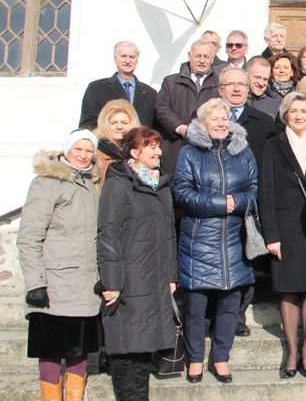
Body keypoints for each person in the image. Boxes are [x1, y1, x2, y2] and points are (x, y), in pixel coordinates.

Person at [172, 98, 258, 384]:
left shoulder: (243, 153)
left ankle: (221, 357)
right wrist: (221, 203)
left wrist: (241, 201)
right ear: (203, 124)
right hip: (199, 240)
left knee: (230, 304)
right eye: (215, 119)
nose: (221, 123)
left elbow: (255, 189)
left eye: (225, 118)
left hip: (234, 238)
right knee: (195, 307)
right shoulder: (189, 153)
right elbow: (182, 192)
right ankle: (195, 358)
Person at [17, 130, 103, 401]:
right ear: (66, 150)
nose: (83, 155)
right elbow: (29, 236)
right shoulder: (47, 182)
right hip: (55, 283)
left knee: (81, 348)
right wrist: (35, 284)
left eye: (89, 150)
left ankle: (74, 397)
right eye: (78, 149)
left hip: (86, 282)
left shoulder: (92, 183)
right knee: (51, 349)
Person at [97, 127, 177, 400]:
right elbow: (108, 234)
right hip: (127, 282)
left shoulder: (161, 187)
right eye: (152, 147)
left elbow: (169, 235)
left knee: (144, 351)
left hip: (155, 282)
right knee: (123, 352)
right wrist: (113, 282)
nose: (158, 152)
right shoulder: (118, 184)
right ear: (134, 152)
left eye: (158, 146)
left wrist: (171, 276)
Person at [260, 92, 306, 380]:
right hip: (285, 228)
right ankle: (291, 353)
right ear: (285, 115)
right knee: (289, 289)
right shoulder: (272, 146)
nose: (299, 115)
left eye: (304, 110)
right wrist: (271, 235)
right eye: (293, 111)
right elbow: (265, 192)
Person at [217, 65, 277, 337]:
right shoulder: (208, 118)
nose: (237, 89)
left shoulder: (263, 121)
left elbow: (270, 166)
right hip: (215, 203)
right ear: (220, 90)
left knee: (245, 259)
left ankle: (238, 315)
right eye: (231, 85)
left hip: (248, 204)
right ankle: (214, 315)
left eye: (242, 84)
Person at [154, 38, 221, 173]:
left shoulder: (220, 83)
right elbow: (161, 108)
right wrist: (180, 128)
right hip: (176, 145)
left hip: (208, 147)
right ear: (189, 56)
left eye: (206, 56)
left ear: (212, 58)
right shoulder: (171, 81)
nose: (202, 60)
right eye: (198, 56)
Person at [79, 40, 156, 129]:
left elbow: (155, 127)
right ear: (115, 59)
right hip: (107, 142)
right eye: (123, 56)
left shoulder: (150, 93)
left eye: (132, 57)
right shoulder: (96, 88)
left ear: (137, 60)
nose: (127, 61)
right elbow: (87, 123)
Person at [93, 99, 140, 178]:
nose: (119, 127)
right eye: (113, 123)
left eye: (124, 123)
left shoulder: (137, 150)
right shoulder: (96, 151)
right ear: (105, 125)